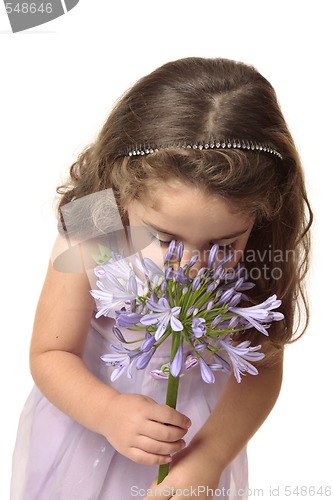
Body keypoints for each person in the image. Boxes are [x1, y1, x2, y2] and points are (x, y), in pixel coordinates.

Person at [11, 57, 312, 500]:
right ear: (122, 190)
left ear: (260, 214)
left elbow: (262, 371)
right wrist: (108, 412)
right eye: (164, 237)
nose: (191, 264)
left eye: (222, 244)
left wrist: (209, 458)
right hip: (88, 432)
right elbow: (50, 352)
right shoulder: (97, 224)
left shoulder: (259, 252)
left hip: (194, 448)